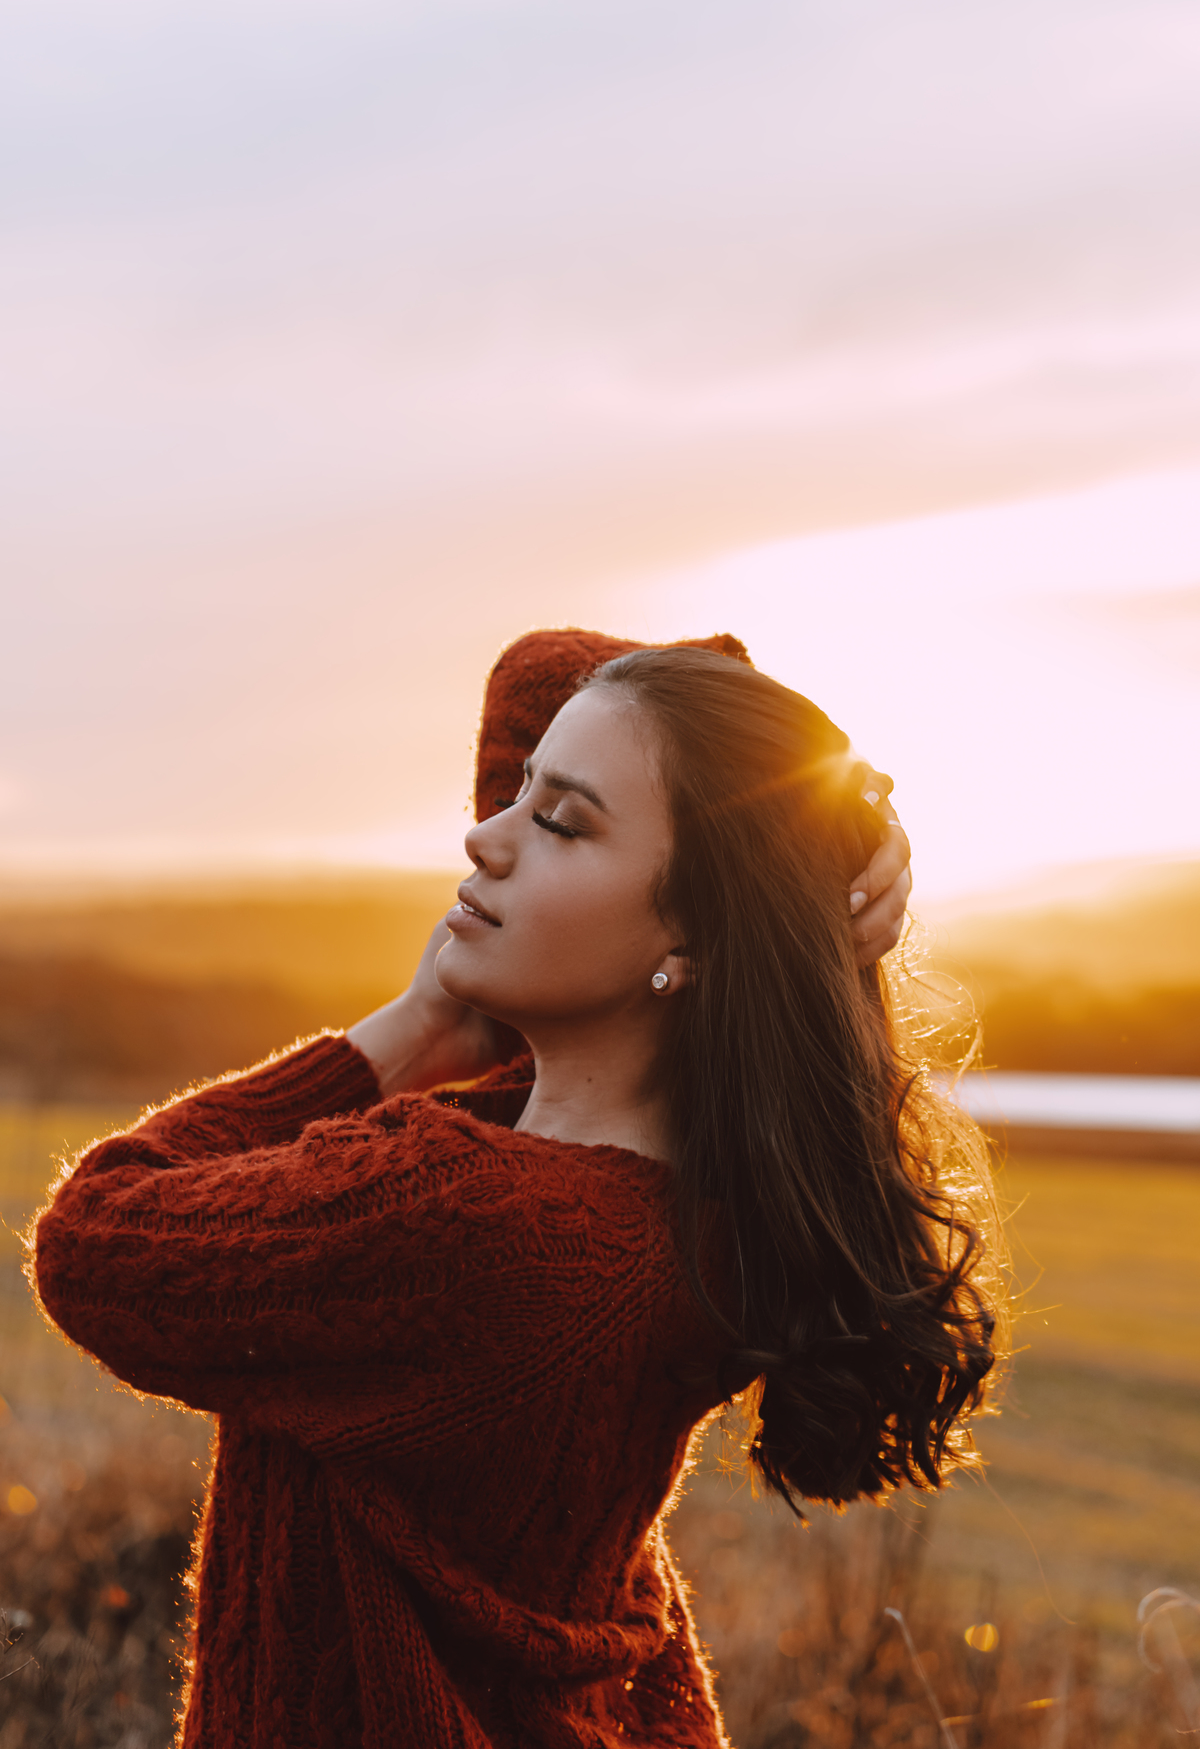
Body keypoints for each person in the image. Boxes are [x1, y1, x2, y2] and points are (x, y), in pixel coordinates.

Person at [33, 628, 1002, 1749]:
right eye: (521, 791)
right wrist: (829, 807)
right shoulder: (697, 1211)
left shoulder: (455, 1210)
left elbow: (96, 1238)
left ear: (689, 932)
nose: (484, 836)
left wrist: (406, 1035)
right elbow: (558, 678)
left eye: (557, 821)